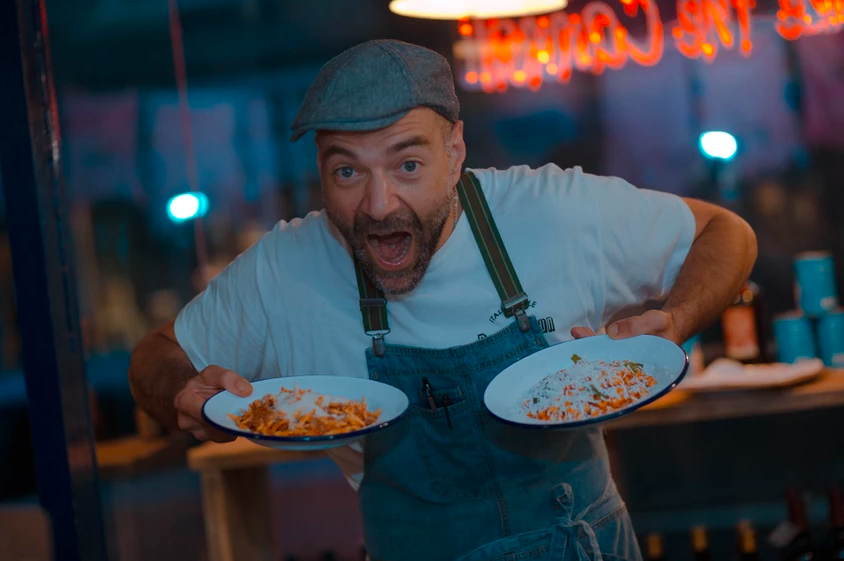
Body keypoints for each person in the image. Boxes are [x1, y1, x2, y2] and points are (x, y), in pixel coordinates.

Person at [129, 40, 757, 561]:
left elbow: (725, 233)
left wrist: (672, 323)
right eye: (347, 171)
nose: (378, 206)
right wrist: (184, 391)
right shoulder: (284, 269)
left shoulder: (555, 213)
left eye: (407, 165)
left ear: (455, 152)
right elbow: (156, 355)